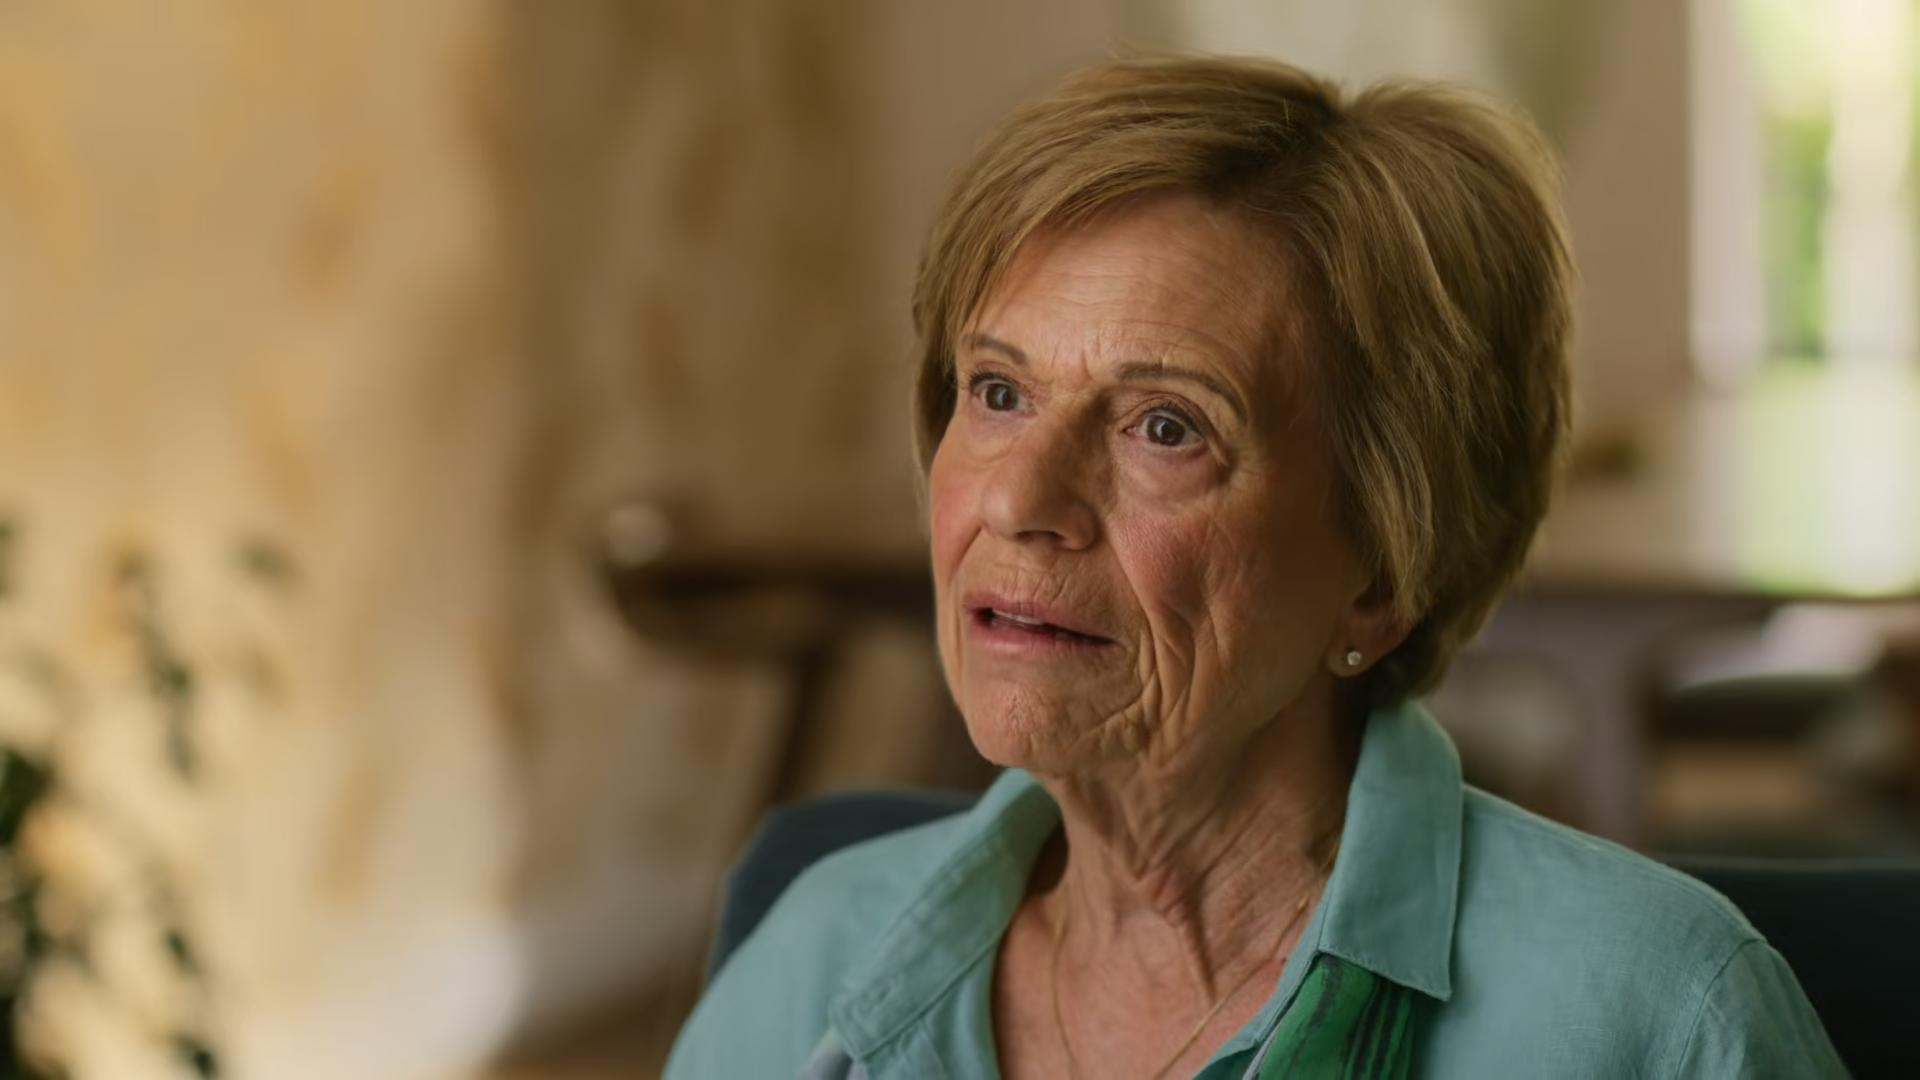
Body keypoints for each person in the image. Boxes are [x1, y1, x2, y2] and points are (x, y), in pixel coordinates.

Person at [666, 55, 1843, 1078]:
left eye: (1165, 426)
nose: (1018, 500)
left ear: (1381, 574)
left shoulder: (1653, 1016)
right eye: (999, 391)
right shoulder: (818, 956)